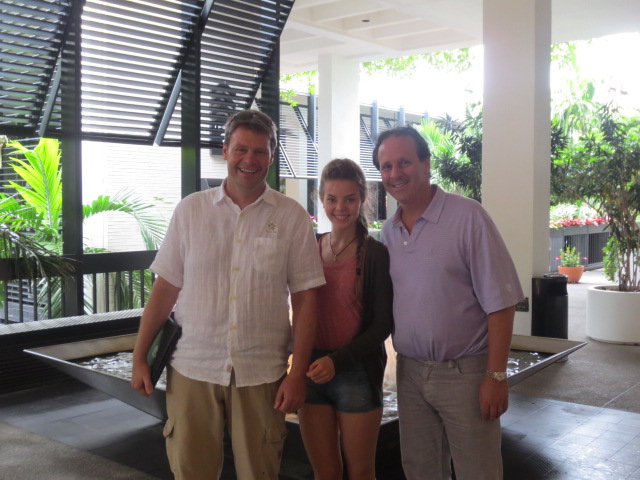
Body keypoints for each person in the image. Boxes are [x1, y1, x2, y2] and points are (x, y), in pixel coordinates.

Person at [131, 109, 325, 480]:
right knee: (191, 469)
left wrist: (296, 373)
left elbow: (305, 302)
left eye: (259, 151)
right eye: (241, 149)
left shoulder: (292, 217)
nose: (249, 160)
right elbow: (165, 289)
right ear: (225, 151)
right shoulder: (191, 210)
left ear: (271, 156)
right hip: (193, 368)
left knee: (260, 471)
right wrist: (139, 356)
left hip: (262, 372)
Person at [372, 127, 524, 480]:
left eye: (404, 162)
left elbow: (501, 303)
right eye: (386, 166)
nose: (395, 174)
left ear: (426, 163)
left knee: (478, 471)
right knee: (420, 470)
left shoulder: (468, 217)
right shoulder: (390, 231)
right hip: (410, 373)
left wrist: (496, 376)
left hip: (465, 374)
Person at [297, 158, 394, 480]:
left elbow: (383, 323)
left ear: (362, 199)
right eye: (332, 199)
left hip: (356, 370)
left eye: (349, 199)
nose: (340, 207)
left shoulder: (375, 253)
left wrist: (339, 361)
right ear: (321, 200)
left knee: (362, 471)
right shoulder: (309, 247)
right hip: (311, 368)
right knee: (324, 471)